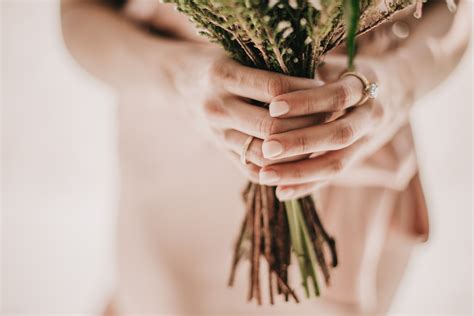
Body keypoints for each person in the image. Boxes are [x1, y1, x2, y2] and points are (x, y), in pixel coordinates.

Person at [60, 0, 470, 314]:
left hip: (359, 147)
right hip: (181, 164)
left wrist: (398, 85)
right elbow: (79, 13)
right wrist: (178, 74)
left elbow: (453, 9)